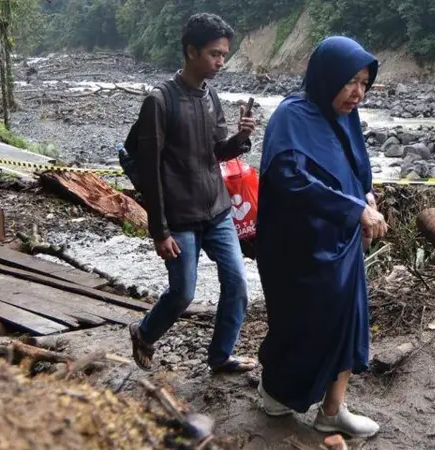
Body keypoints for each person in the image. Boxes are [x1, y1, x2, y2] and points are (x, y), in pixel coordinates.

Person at [255, 36, 388, 438]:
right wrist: (354, 210)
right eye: (351, 81)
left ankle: (333, 409)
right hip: (296, 247)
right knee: (298, 325)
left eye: (365, 83)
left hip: (340, 240)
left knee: (347, 318)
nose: (357, 93)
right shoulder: (291, 117)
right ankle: (276, 388)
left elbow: (354, 168)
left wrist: (366, 197)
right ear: (327, 76)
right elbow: (290, 178)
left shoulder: (344, 116)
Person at [128, 13, 256, 373]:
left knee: (237, 284)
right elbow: (150, 171)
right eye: (214, 54)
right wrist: (160, 230)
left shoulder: (211, 96)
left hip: (216, 210)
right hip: (180, 217)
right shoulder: (159, 101)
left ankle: (220, 356)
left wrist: (241, 138)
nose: (221, 61)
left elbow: (219, 152)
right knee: (183, 293)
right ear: (190, 51)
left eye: (223, 54)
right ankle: (145, 333)